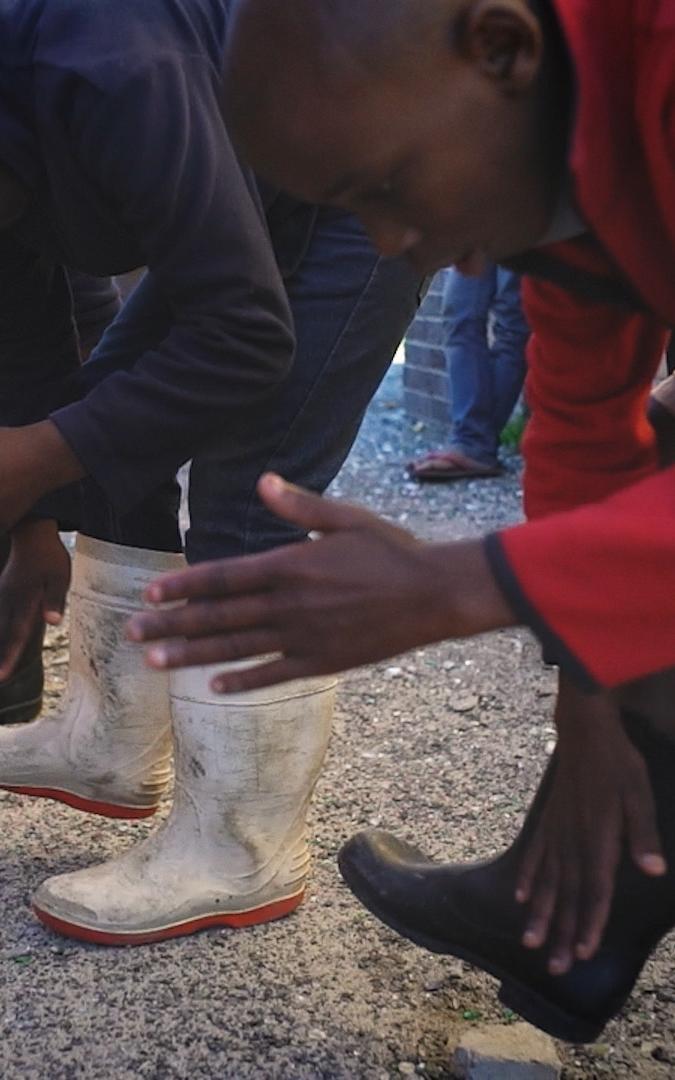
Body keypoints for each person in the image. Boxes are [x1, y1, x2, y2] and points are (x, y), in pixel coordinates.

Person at [128, 0, 675, 1041]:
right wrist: (589, 691)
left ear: (502, 47)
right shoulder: (561, 157)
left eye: (383, 188)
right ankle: (588, 910)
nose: (392, 245)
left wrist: (463, 583)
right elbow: (584, 431)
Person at [0, 0, 421, 944]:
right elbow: (33, 332)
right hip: (249, 176)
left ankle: (241, 847)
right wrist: (35, 514)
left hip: (361, 159)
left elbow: (245, 337)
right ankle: (105, 747)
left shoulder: (108, 62)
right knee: (110, 413)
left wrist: (34, 456)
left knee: (249, 485)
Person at [409, 265, 528, 481]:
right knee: (460, 315)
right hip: (475, 231)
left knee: (512, 322)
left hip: (528, 232)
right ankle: (473, 442)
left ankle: (472, 443)